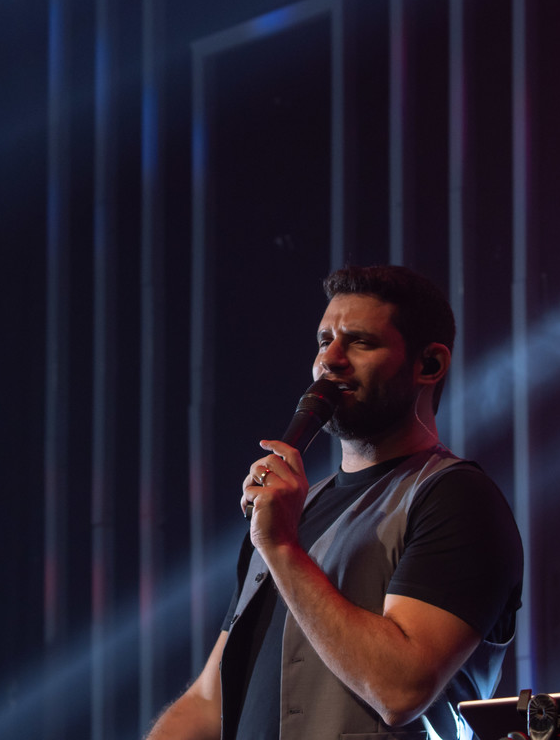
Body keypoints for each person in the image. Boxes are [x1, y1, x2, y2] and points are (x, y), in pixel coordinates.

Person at [146, 264, 523, 740]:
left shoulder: (456, 497)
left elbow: (401, 689)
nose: (331, 359)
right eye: (325, 341)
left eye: (360, 342)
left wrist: (282, 548)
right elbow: (208, 701)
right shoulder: (288, 510)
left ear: (429, 365)